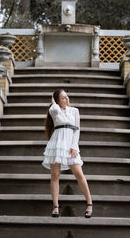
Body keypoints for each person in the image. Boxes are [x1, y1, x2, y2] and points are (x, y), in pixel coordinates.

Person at [42, 89, 93, 218]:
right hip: (57, 144)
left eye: (67, 97)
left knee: (79, 174)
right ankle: (55, 207)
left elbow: (77, 130)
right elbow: (57, 112)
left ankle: (89, 204)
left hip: (70, 145)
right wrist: (54, 102)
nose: (67, 99)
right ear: (57, 100)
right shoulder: (54, 110)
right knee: (55, 175)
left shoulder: (74, 111)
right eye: (63, 98)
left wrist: (74, 146)